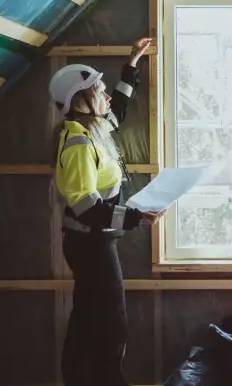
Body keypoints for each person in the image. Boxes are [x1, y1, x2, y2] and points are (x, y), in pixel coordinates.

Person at [48, 37, 165, 386]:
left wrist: (133, 63)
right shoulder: (80, 144)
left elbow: (121, 107)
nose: (106, 96)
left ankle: (81, 379)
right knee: (111, 323)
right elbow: (86, 208)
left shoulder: (94, 128)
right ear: (79, 101)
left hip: (93, 242)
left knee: (88, 318)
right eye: (99, 91)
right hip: (90, 245)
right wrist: (135, 218)